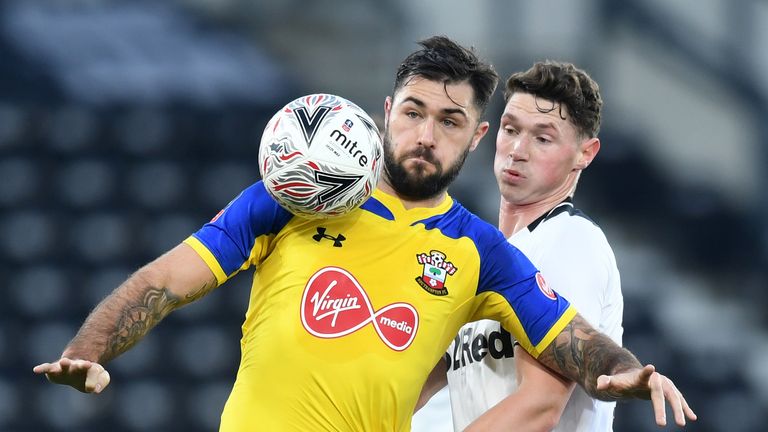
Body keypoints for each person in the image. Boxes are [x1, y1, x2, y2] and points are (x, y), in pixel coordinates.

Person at [34, 37, 695, 431]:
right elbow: (164, 282)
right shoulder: (294, 196)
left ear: (476, 136)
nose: (426, 135)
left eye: (450, 120)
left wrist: (628, 374)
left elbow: (575, 343)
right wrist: (90, 348)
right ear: (386, 113)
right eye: (413, 112)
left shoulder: (481, 254)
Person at [417, 61, 629, 431]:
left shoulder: (570, 240)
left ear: (585, 153)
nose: (517, 150)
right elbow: (410, 385)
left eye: (542, 138)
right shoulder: (486, 261)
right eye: (511, 129)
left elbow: (541, 406)